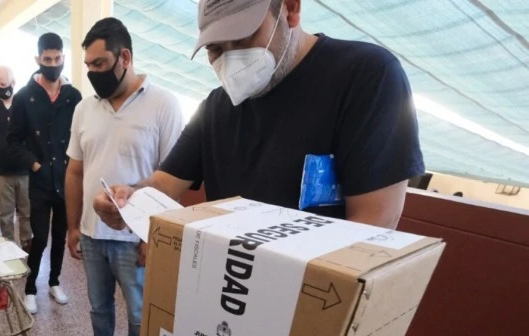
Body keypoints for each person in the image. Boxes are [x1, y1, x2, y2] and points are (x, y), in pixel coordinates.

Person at [93, 0, 424, 232]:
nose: (231, 59)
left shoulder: (365, 77)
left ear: (290, 9)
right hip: (231, 289)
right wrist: (129, 198)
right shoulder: (215, 107)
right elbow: (163, 184)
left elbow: (373, 227)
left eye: (243, 39)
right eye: (216, 49)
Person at [66, 18, 184, 336]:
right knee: (98, 307)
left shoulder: (163, 104)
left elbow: (174, 180)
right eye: (88, 65)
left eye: (100, 64)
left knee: (139, 313)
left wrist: (154, 237)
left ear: (125, 57)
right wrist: (73, 226)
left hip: (136, 238)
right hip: (92, 234)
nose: (93, 73)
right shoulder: (84, 108)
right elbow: (75, 171)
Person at [8, 33, 82, 314]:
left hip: (67, 180)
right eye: (47, 59)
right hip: (39, 181)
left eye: (57, 58)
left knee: (61, 235)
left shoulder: (73, 96)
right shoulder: (24, 97)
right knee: (39, 237)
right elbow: (13, 142)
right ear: (38, 59)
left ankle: (54, 281)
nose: (53, 64)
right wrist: (34, 165)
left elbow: (81, 136)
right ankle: (30, 288)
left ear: (63, 57)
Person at [0, 66, 32, 246]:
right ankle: (8, 246)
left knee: (26, 212)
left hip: (25, 170)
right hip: (2, 171)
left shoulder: (24, 104)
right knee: (5, 214)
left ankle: (27, 244)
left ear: (13, 83)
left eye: (3, 84)